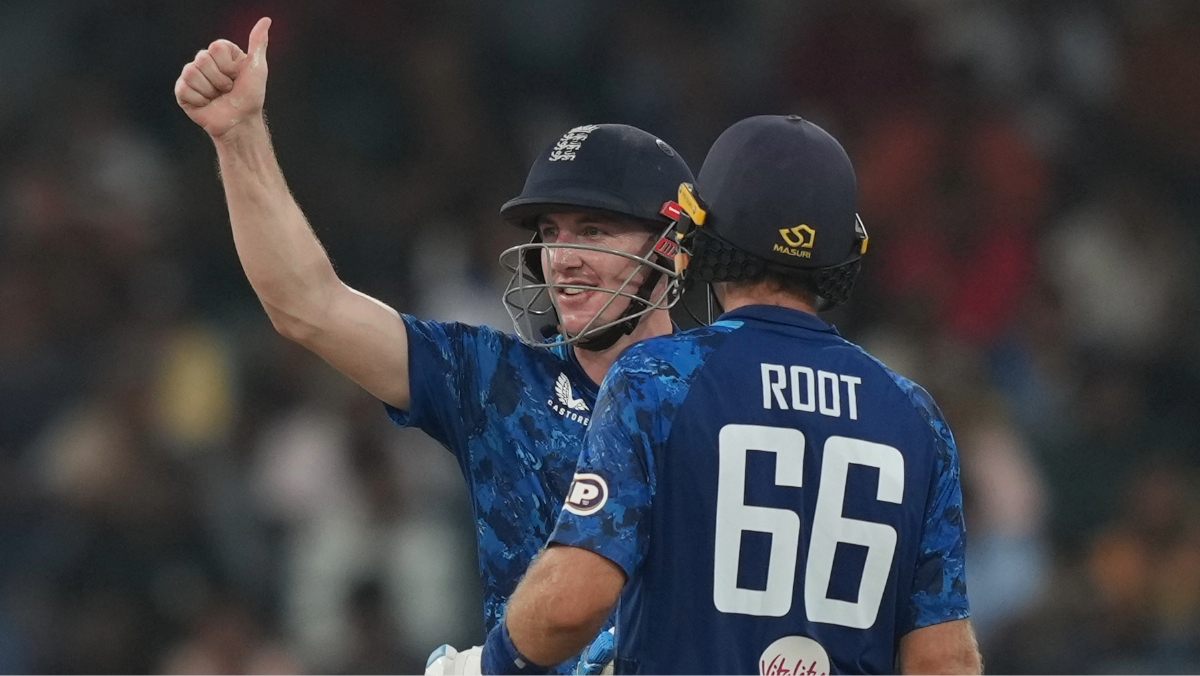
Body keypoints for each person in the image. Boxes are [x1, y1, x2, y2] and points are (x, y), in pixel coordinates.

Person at [172, 17, 694, 673]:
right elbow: (307, 304)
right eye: (551, 232)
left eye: (594, 230)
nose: (563, 257)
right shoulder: (498, 381)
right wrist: (239, 136)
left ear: (671, 248)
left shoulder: (726, 390)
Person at [483, 115, 982, 674]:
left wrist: (490, 664)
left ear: (703, 233)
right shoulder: (913, 415)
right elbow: (944, 660)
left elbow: (571, 605)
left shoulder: (658, 379)